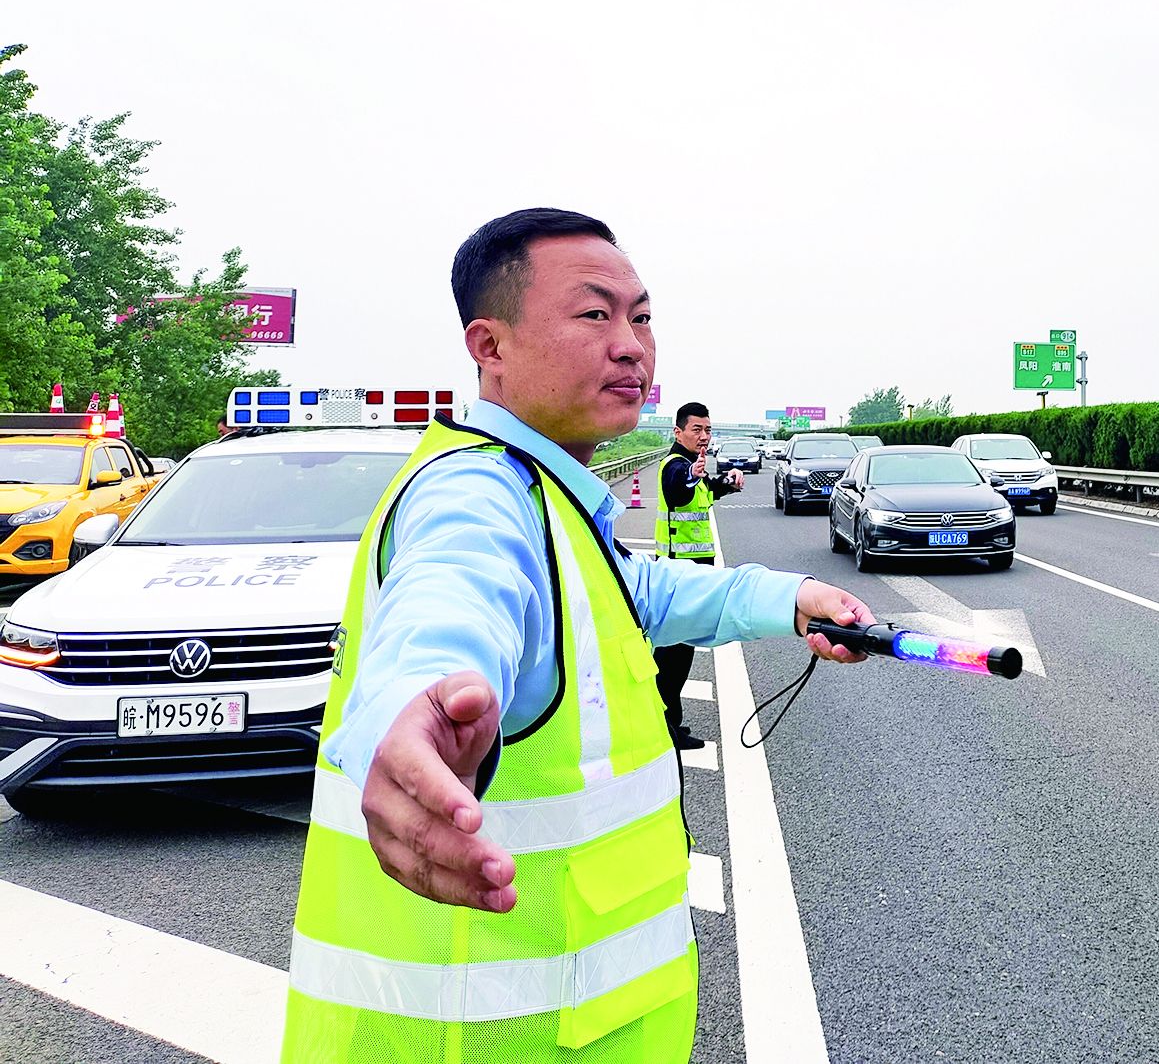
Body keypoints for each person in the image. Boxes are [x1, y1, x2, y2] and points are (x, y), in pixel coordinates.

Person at [281, 208, 874, 1063]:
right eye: (595, 314)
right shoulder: (476, 494)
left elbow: (639, 588)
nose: (631, 345)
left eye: (642, 316)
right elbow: (450, 605)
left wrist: (792, 597)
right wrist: (410, 712)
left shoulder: (544, 494)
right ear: (489, 345)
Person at [653, 401, 743, 750]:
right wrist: (693, 474)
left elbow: (704, 493)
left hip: (692, 573)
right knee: (673, 656)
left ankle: (668, 723)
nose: (704, 436)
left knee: (678, 652)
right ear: (678, 432)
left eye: (707, 430)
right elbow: (679, 490)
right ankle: (664, 728)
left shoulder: (693, 464)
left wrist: (727, 483)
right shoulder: (676, 465)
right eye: (696, 429)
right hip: (679, 574)